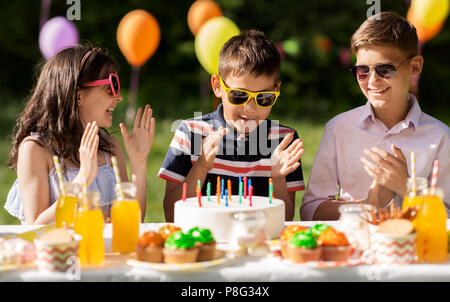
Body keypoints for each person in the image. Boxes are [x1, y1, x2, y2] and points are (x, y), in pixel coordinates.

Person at [301, 12, 449, 221]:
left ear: (414, 66)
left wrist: (406, 188)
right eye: (362, 70)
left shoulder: (441, 138)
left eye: (385, 69)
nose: (372, 81)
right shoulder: (338, 128)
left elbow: (447, 219)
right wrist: (369, 204)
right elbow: (310, 212)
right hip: (353, 249)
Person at [159, 30, 305, 222]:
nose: (250, 108)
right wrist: (201, 166)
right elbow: (171, 215)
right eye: (239, 95)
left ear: (276, 90)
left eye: (263, 98)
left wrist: (277, 177)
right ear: (218, 86)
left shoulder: (283, 141)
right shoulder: (190, 133)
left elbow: (284, 219)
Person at [5, 46, 155, 224]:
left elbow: (134, 221)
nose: (119, 97)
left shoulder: (110, 148)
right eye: (111, 87)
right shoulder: (35, 150)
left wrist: (138, 161)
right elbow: (37, 225)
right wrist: (82, 179)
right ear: (78, 96)